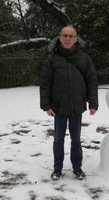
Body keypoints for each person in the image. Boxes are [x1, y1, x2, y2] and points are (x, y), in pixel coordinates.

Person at [40, 25, 98, 180]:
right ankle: (57, 168)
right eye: (65, 35)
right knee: (58, 139)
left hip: (77, 106)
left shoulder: (84, 58)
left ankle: (77, 168)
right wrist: (46, 105)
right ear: (60, 38)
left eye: (71, 36)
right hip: (58, 107)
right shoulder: (52, 58)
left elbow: (91, 81)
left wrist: (93, 103)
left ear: (76, 38)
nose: (67, 38)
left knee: (76, 139)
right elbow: (45, 83)